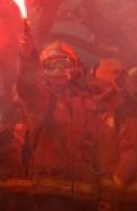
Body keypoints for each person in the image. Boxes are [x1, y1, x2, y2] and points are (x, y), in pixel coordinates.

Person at [16, 34, 97, 211]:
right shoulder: (39, 100)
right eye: (52, 66)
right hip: (49, 192)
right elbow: (26, 86)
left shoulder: (85, 102)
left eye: (65, 64)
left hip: (84, 192)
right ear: (41, 70)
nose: (59, 71)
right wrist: (27, 57)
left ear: (76, 67)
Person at [88, 59, 137, 211]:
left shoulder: (127, 119)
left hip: (127, 199)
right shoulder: (103, 115)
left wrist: (110, 193)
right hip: (107, 196)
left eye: (100, 87)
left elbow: (129, 159)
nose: (95, 93)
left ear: (116, 88)